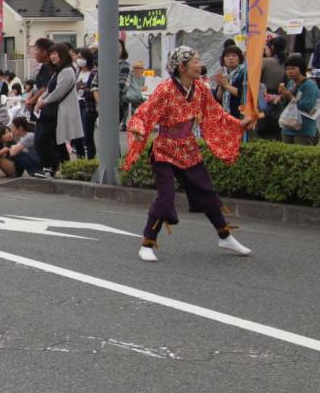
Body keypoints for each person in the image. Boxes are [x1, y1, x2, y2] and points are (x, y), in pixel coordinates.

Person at [126, 46, 255, 262]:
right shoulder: (165, 89)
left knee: (207, 192)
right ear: (182, 66)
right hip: (165, 149)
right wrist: (138, 129)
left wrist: (240, 124)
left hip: (188, 148)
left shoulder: (201, 88)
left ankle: (225, 236)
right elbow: (143, 113)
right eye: (195, 61)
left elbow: (215, 114)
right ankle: (147, 243)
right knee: (166, 196)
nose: (200, 65)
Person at [33, 43, 83, 178]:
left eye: (55, 53)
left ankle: (51, 167)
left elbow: (58, 92)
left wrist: (43, 102)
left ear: (63, 54)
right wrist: (41, 100)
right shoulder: (58, 70)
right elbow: (50, 89)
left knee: (44, 139)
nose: (52, 56)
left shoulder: (67, 70)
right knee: (56, 141)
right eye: (51, 54)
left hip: (58, 112)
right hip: (53, 111)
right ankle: (62, 168)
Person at [278, 53, 320, 146]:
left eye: (293, 68)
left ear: (301, 69)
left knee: (302, 154)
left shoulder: (309, 85)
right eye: (287, 69)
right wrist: (283, 97)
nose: (289, 71)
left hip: (303, 129)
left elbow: (308, 107)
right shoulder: (290, 84)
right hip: (287, 127)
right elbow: (287, 106)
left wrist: (290, 97)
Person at [72, 48, 98, 160]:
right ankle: (80, 158)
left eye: (81, 57)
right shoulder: (78, 71)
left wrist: (83, 87)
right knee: (76, 135)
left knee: (87, 135)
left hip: (89, 105)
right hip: (77, 104)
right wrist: (76, 87)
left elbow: (95, 88)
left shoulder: (94, 72)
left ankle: (91, 159)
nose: (79, 60)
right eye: (78, 57)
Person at [211, 45, 247, 120]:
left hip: (240, 115)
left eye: (234, 56)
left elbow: (243, 94)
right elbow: (218, 97)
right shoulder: (224, 72)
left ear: (239, 58)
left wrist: (226, 85)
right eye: (227, 56)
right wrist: (221, 85)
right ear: (223, 59)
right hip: (226, 114)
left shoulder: (244, 73)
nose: (230, 58)